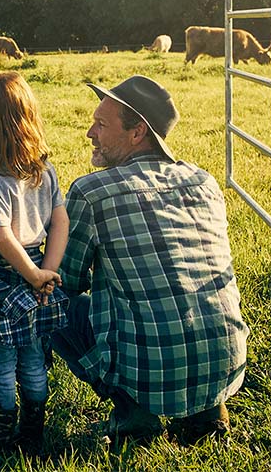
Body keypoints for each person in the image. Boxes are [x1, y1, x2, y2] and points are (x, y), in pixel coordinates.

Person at [49, 75, 249, 445]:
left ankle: (132, 411)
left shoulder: (92, 191)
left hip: (151, 372)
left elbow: (66, 281)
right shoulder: (204, 181)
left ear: (137, 132)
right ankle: (207, 411)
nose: (90, 132)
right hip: (227, 364)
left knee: (48, 301)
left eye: (101, 124)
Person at [0, 72, 68, 456]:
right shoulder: (45, 169)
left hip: (2, 280)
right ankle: (33, 435)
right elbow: (60, 222)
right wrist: (45, 272)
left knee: (2, 363)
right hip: (38, 271)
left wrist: (35, 274)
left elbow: (1, 238)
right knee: (34, 358)